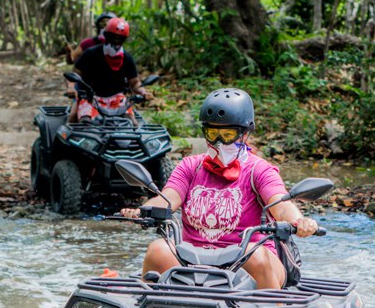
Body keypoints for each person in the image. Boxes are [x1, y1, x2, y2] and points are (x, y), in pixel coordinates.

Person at [120, 88, 318, 289]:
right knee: (158, 250)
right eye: (213, 133)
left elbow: (281, 205)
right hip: (192, 256)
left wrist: (298, 221)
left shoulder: (259, 170)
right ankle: (149, 304)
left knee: (255, 256)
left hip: (246, 256)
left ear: (245, 134)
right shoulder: (190, 166)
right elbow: (167, 198)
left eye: (227, 134)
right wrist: (143, 211)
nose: (219, 142)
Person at [71, 17, 150, 123]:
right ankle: (65, 132)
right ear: (106, 36)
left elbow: (134, 82)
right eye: (113, 37)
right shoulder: (91, 53)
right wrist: (72, 88)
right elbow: (75, 74)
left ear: (124, 40)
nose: (115, 41)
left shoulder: (127, 58)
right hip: (90, 97)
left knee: (132, 122)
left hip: (117, 99)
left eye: (119, 38)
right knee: (77, 118)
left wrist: (143, 92)